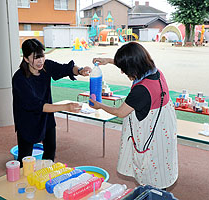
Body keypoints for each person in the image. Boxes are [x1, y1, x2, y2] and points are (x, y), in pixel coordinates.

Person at [90, 42, 178, 189]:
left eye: (124, 69)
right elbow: (133, 63)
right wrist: (109, 61)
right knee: (161, 165)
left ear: (133, 67)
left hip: (151, 134)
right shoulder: (154, 71)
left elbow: (120, 112)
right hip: (164, 130)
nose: (122, 73)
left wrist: (99, 105)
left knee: (150, 170)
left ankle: (151, 193)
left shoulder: (141, 90)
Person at [12, 39, 91, 166]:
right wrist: (66, 106)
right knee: (25, 158)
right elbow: (36, 105)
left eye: (42, 56)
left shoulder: (46, 67)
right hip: (27, 120)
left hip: (46, 116)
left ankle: (46, 177)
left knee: (50, 151)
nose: (40, 61)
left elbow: (66, 69)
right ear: (26, 59)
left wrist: (80, 70)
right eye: (36, 58)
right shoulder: (19, 79)